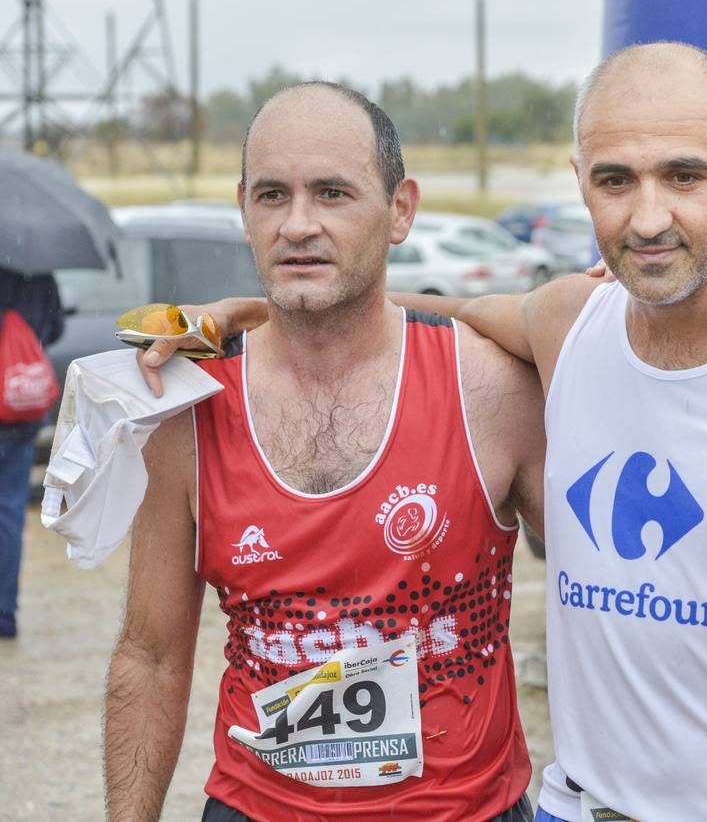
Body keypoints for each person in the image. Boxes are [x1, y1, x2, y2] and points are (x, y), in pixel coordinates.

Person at [146, 43, 707, 820]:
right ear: (581, 184)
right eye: (615, 180)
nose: (649, 218)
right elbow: (425, 310)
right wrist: (258, 312)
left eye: (684, 176)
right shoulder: (566, 323)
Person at [104, 82, 547, 821]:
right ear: (243, 208)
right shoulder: (186, 409)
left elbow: (602, 606)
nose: (297, 224)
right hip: (256, 808)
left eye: (333, 194)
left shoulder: (490, 387)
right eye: (273, 196)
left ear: (400, 209)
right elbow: (150, 656)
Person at [0, 268, 63, 639]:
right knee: (9, 511)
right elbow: (55, 328)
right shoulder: (35, 266)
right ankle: (4, 613)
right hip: (19, 409)